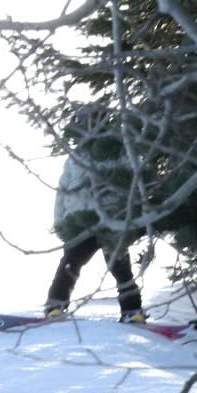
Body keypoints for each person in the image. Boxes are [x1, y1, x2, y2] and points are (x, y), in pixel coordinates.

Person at [44, 110, 146, 323]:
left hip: (111, 221)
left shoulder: (117, 151)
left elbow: (132, 182)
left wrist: (130, 216)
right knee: (70, 265)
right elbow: (62, 191)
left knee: (120, 267)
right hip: (79, 222)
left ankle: (132, 310)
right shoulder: (75, 158)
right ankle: (56, 307)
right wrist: (61, 222)